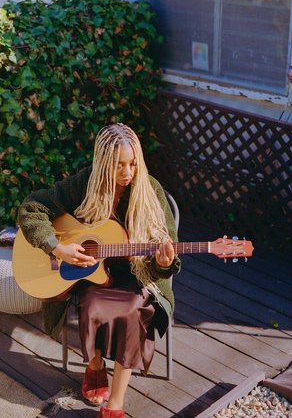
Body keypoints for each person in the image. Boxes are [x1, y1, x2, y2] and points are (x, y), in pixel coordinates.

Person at [17, 123, 181, 418]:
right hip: (92, 273)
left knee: (132, 311)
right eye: (118, 165)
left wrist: (163, 263)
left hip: (136, 276)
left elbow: (164, 254)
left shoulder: (149, 189)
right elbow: (32, 207)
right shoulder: (84, 184)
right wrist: (56, 246)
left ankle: (115, 404)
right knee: (90, 304)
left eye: (132, 164)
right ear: (103, 162)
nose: (127, 173)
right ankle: (94, 367)